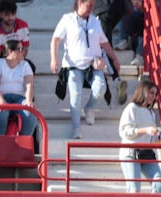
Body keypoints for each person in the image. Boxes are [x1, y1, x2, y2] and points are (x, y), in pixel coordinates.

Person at [49, 0, 117, 140]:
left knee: (100, 88)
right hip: (73, 65)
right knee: (75, 96)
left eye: (93, 5)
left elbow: (103, 42)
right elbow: (55, 40)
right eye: (89, 5)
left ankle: (88, 107)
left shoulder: (95, 21)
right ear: (80, 3)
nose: (91, 8)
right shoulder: (67, 19)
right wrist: (54, 59)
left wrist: (114, 58)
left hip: (93, 64)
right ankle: (76, 128)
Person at [117, 79, 161, 193]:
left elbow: (151, 139)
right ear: (143, 91)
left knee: (160, 184)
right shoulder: (132, 108)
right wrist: (145, 130)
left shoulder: (151, 112)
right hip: (131, 154)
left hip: (147, 154)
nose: (153, 96)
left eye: (155, 94)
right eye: (151, 92)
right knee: (134, 190)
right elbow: (124, 131)